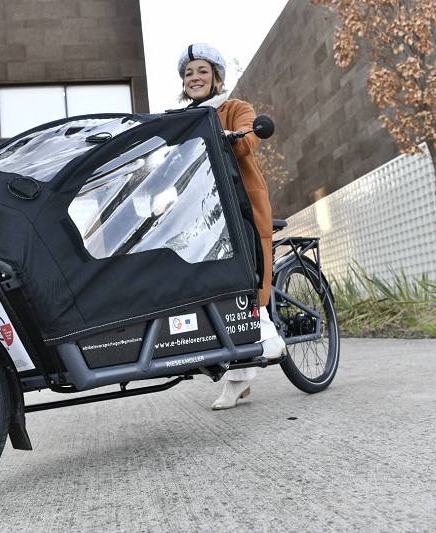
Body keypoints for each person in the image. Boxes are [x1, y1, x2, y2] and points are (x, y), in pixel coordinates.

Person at [176, 43, 286, 410]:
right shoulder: (180, 118)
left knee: (247, 269)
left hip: (241, 203)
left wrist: (231, 137)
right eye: (189, 73)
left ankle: (265, 331)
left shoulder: (234, 108)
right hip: (205, 212)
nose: (195, 78)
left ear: (216, 77)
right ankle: (238, 376)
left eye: (202, 71)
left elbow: (249, 137)